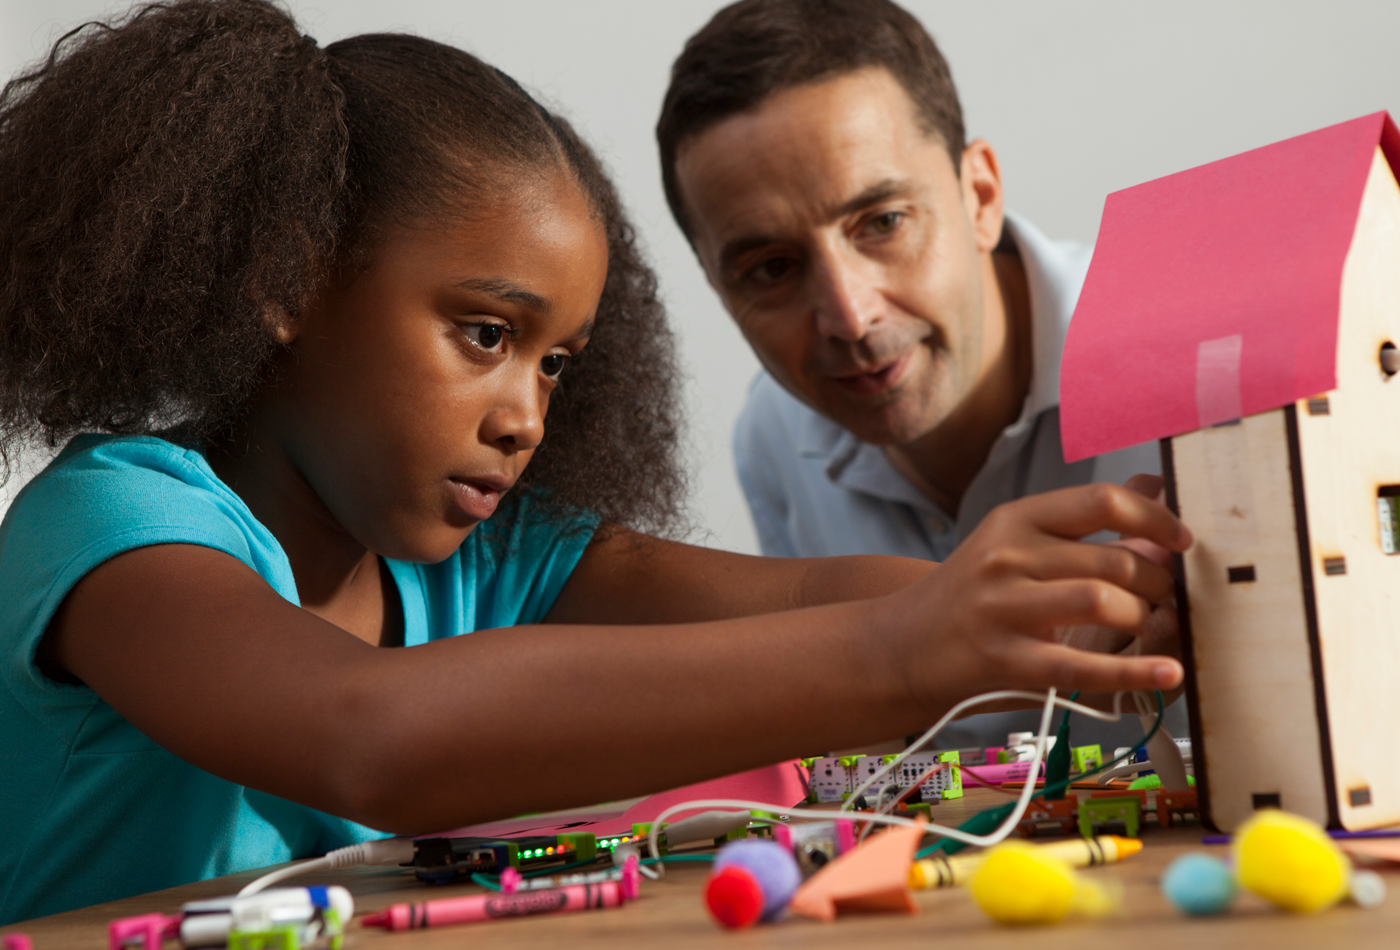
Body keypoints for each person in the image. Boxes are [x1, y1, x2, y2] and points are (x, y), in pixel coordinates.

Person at [0, 0, 1188, 923]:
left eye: (556, 364)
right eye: (485, 334)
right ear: (285, 278)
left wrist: (1053, 615)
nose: (525, 415)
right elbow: (376, 737)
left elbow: (808, 593)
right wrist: (912, 645)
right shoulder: (112, 528)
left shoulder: (497, 554)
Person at [656, 0, 1182, 747]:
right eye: (772, 267)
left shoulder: (1207, 368)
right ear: (717, 289)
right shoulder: (772, 438)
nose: (849, 315)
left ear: (981, 198)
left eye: (883, 222)